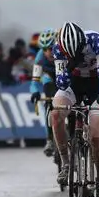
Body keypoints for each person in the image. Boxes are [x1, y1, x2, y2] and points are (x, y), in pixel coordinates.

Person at [45, 21, 99, 197]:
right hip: (73, 84)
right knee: (56, 114)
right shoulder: (58, 48)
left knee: (96, 137)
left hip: (96, 84)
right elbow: (61, 83)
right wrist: (69, 65)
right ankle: (66, 163)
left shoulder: (97, 41)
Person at [29, 28, 59, 158]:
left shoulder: (65, 53)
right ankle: (50, 140)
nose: (48, 52)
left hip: (64, 73)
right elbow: (34, 81)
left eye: (51, 48)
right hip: (49, 76)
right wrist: (35, 92)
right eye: (45, 49)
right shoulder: (40, 57)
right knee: (48, 97)